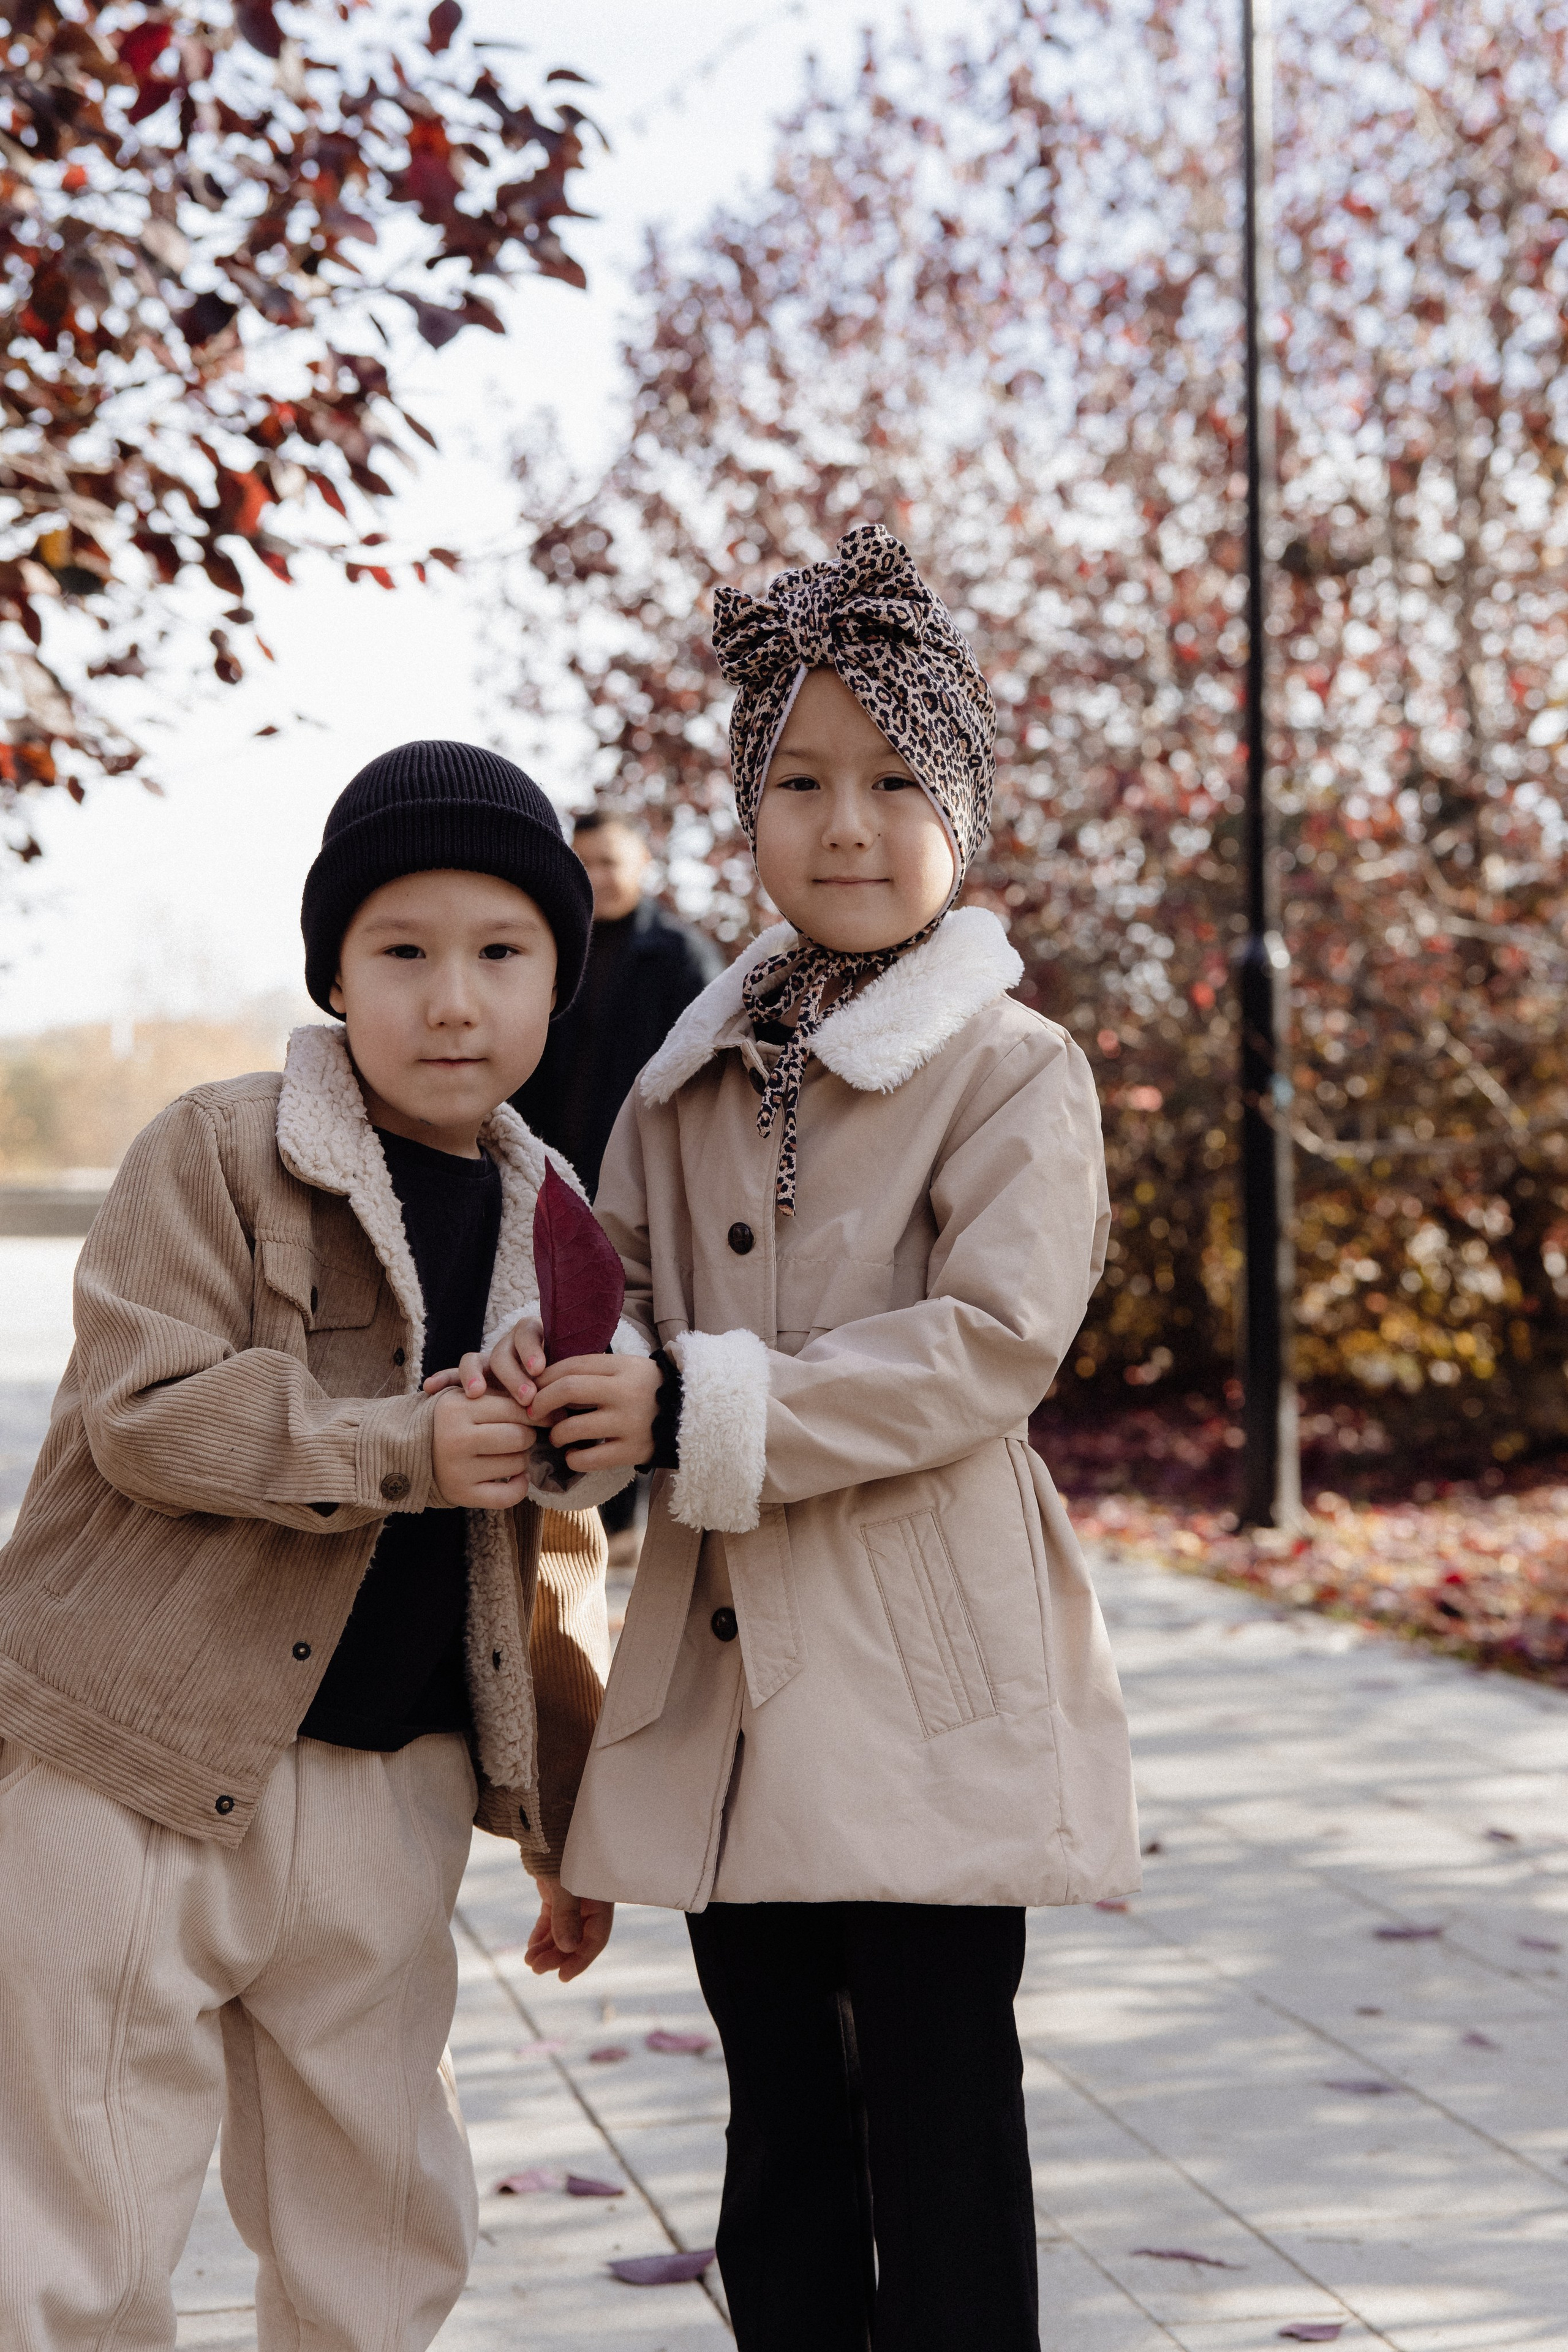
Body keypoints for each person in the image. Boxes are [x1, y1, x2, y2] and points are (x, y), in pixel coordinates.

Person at [475, 526, 1140, 2350]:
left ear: (961, 810)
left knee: (936, 2120)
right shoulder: (684, 1075)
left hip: (921, 1676)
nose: (846, 824)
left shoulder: (1009, 1069)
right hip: (730, 1680)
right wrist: (560, 1369)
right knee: (777, 2125)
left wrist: (696, 1405)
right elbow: (610, 1280)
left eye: (894, 780)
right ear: (744, 813)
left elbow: (987, 1344)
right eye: (798, 781)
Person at [0, 741, 660, 2350]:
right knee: (73, 2228)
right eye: (403, 952)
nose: (454, 1001)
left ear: (557, 981)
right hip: (132, 1766)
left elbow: (556, 1551)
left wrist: (566, 1822)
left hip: (389, 1798)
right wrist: (401, 1448)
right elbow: (144, 1411)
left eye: (501, 954)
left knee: (380, 2226)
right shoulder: (218, 1152)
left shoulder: (560, 1224)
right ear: (336, 974)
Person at [512, 809, 723, 1200]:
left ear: (643, 859)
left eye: (608, 863)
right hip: (542, 1169)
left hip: (641, 1175)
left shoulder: (682, 957)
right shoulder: (549, 950)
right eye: (584, 864)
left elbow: (708, 1077)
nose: (595, 877)